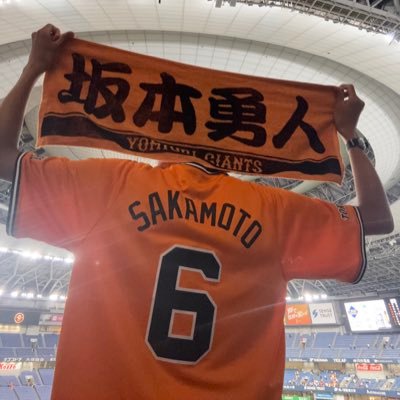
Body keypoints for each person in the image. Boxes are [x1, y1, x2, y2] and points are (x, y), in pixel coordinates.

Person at [0, 24, 394, 400]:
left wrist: (34, 67)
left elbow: (3, 156)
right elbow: (377, 218)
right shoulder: (273, 210)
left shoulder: (112, 185)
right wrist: (350, 136)